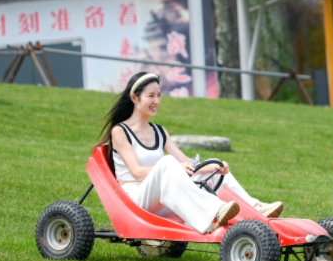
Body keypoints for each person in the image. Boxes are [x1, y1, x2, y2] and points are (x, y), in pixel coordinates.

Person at [100, 72, 284, 233]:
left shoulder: (160, 131)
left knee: (213, 163)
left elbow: (187, 163)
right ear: (134, 98)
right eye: (151, 96)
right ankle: (215, 212)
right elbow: (137, 172)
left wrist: (211, 167)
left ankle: (257, 207)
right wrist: (177, 167)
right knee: (167, 163)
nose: (156, 101)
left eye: (159, 95)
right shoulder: (120, 131)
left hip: (163, 199)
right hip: (136, 201)